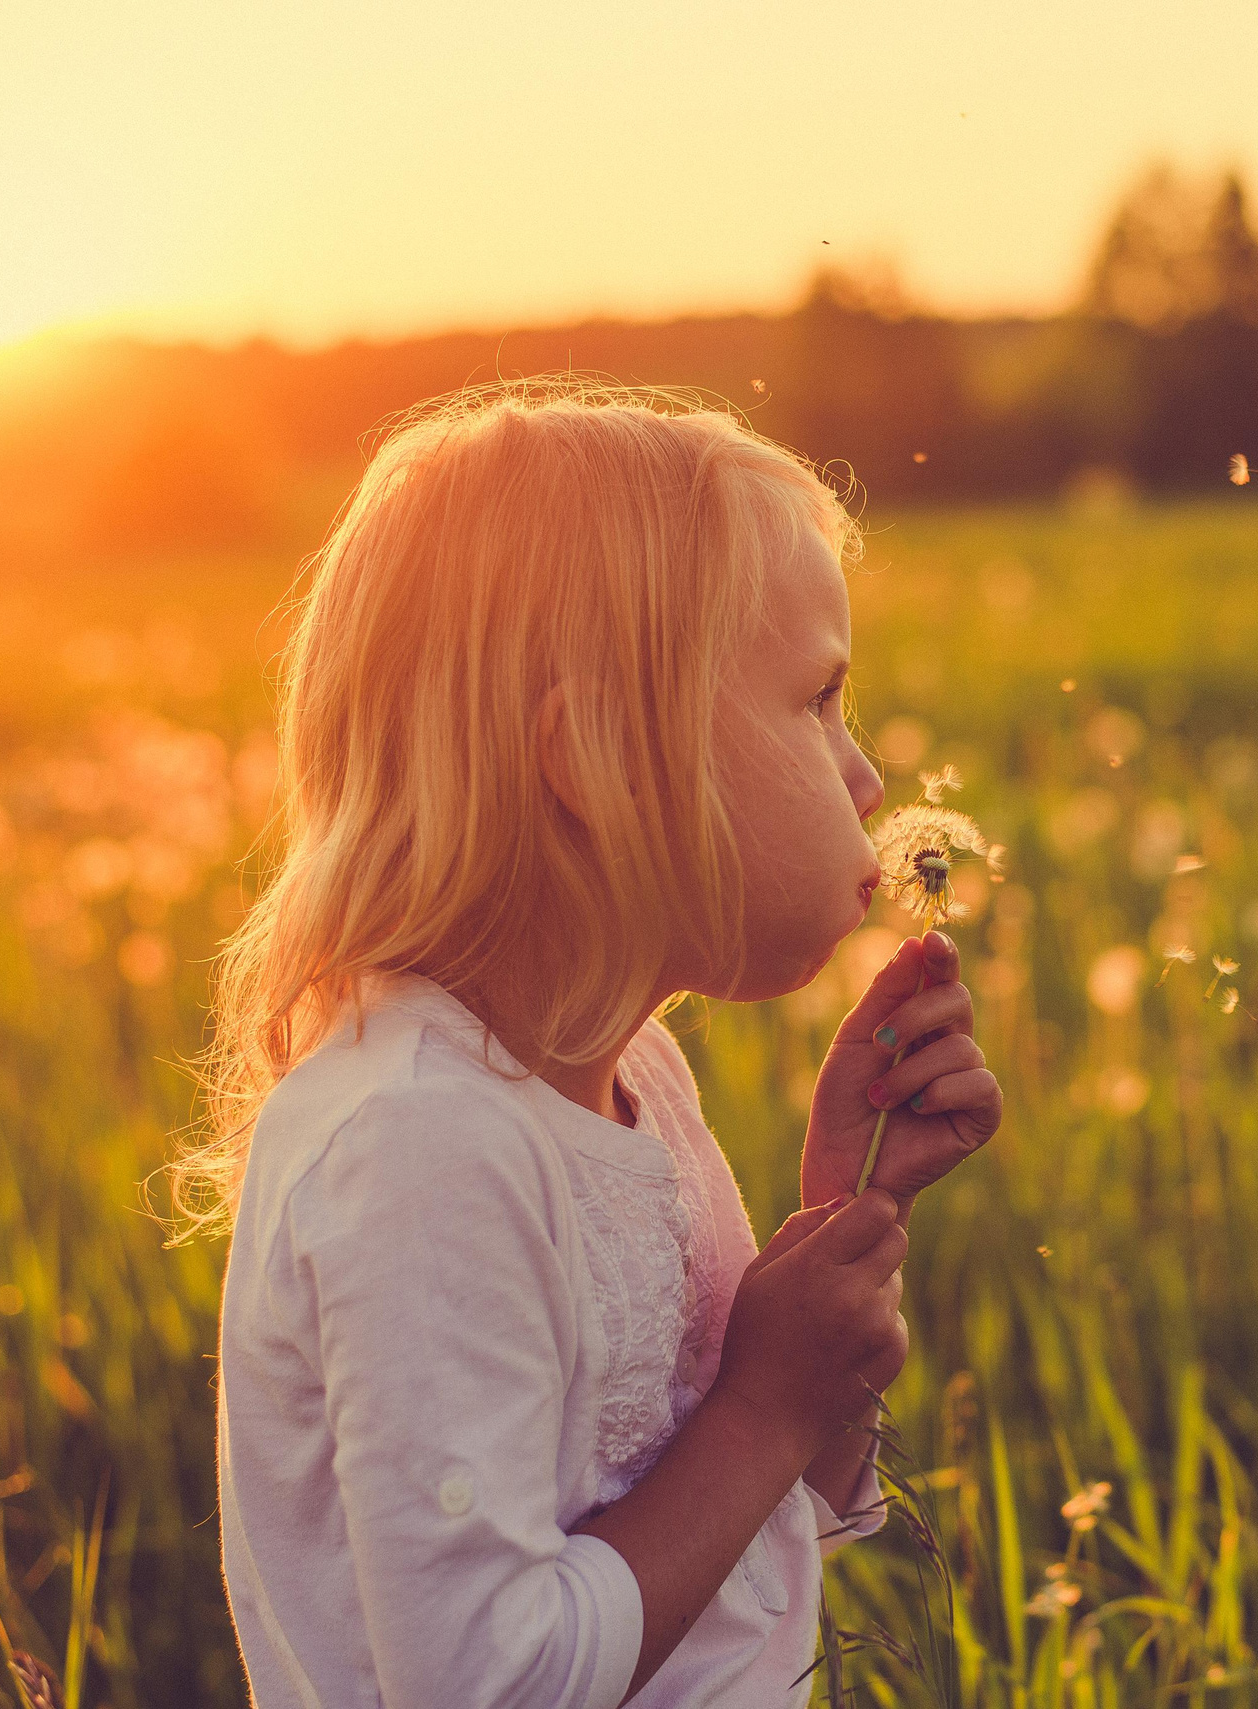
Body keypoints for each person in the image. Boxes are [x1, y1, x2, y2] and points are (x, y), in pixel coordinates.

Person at [174, 380, 1004, 1707]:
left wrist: (837, 1224)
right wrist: (770, 1405)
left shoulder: (631, 1076)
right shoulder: (420, 1142)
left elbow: (751, 1530)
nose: (864, 779)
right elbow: (485, 1682)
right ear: (603, 756)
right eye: (816, 702)